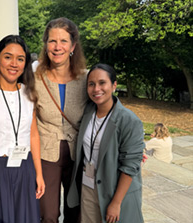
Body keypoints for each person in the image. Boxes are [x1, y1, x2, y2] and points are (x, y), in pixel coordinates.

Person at [0, 35, 45, 223]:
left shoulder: (29, 93)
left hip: (25, 167)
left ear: (25, 64)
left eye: (20, 59)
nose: (14, 64)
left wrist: (39, 173)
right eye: (8, 57)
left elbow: (33, 134)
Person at [67, 63, 144, 223]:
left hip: (114, 190)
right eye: (91, 84)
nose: (96, 89)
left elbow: (130, 167)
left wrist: (116, 203)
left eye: (102, 83)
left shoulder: (129, 120)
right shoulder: (88, 112)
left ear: (114, 85)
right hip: (88, 186)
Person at [34, 17, 87, 222]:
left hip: (78, 155)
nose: (57, 47)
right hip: (46, 154)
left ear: (73, 46)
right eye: (52, 41)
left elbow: (107, 109)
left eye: (63, 41)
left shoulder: (86, 79)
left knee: (75, 211)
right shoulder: (35, 79)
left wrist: (127, 141)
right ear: (46, 44)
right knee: (47, 214)